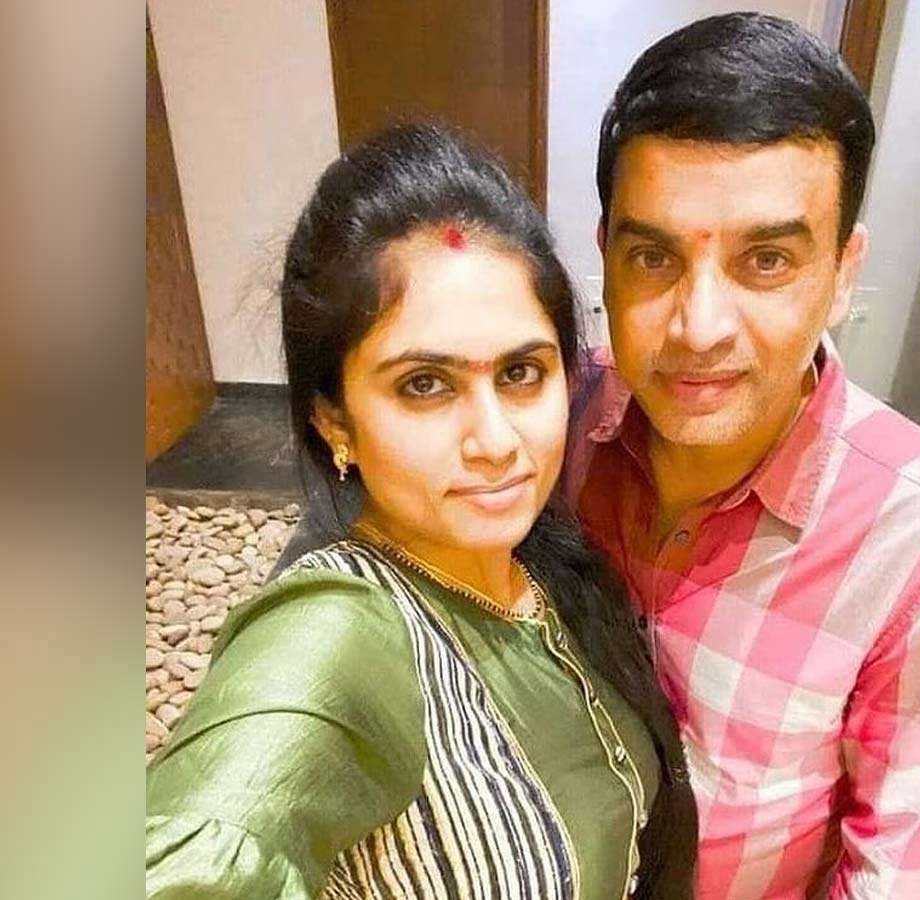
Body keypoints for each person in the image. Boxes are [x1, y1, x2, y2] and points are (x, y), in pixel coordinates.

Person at [145, 123, 696, 900]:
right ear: (334, 420)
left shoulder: (544, 563)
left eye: (522, 373)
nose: (496, 442)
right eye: (424, 385)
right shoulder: (337, 635)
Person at [564, 13, 920, 900]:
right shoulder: (554, 426)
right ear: (606, 257)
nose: (699, 327)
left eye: (766, 260)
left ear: (844, 272)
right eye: (653, 256)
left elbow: (891, 878)